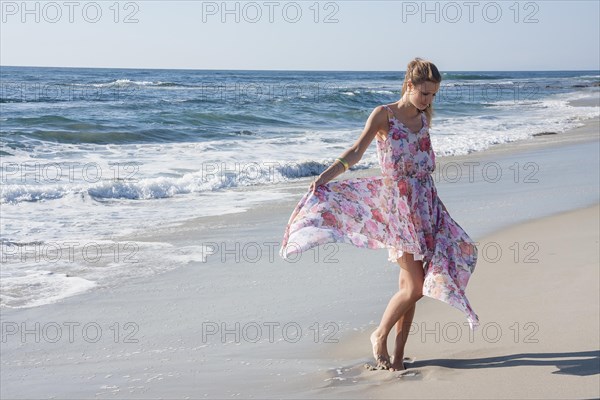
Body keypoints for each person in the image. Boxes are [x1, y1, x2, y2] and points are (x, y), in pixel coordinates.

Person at [279, 58, 478, 371]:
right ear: (409, 86)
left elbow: (423, 167)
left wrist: (434, 206)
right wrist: (326, 176)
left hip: (425, 205)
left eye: (434, 95)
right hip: (398, 210)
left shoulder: (425, 119)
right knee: (414, 287)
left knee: (412, 287)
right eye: (424, 93)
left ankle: (398, 358)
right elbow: (357, 150)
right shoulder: (384, 115)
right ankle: (379, 335)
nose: (429, 100)